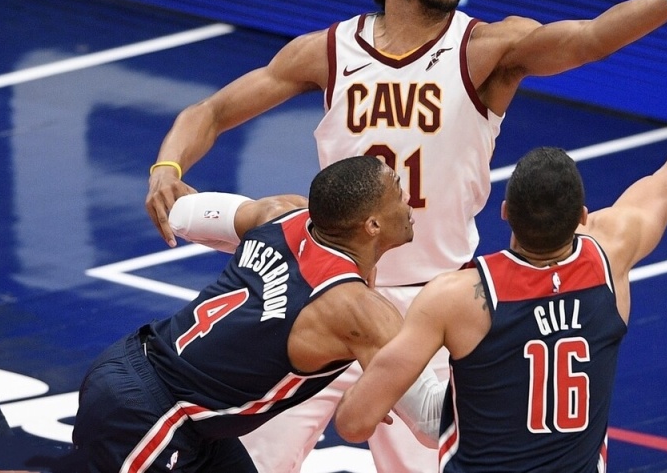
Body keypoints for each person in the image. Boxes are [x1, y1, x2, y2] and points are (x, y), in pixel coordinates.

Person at [144, 0, 667, 473]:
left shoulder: (486, 49)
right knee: (250, 462)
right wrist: (169, 164)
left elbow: (589, 39)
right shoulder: (327, 51)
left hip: (427, 310)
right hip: (325, 290)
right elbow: (211, 111)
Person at [334, 14, 667, 472]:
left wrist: (379, 351)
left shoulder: (455, 297)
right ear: (582, 217)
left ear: (505, 211)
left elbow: (355, 423)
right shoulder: (610, 256)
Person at [73, 156, 444, 472]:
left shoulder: (280, 214)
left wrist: (167, 174)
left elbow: (183, 216)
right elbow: (430, 420)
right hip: (149, 417)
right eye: (398, 191)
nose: (408, 199)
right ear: (372, 226)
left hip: (153, 379)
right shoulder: (360, 312)